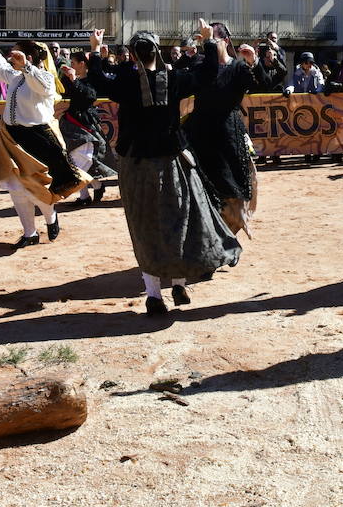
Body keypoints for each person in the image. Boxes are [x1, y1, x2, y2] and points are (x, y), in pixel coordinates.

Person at [87, 25, 241, 317]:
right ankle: (180, 283)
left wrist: (95, 50)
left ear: (132, 54)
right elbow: (208, 74)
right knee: (177, 220)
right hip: (172, 161)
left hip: (136, 164)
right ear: (157, 51)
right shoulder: (174, 78)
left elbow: (97, 80)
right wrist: (208, 41)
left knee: (144, 227)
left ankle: (154, 294)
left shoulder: (125, 80)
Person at [0, 37, 88, 247]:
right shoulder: (16, 77)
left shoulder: (44, 77)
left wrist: (26, 66)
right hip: (12, 137)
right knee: (16, 188)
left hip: (38, 139)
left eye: (16, 53)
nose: (11, 56)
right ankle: (30, 233)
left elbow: (44, 88)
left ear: (29, 57)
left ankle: (51, 217)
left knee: (36, 188)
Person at [187, 21, 279, 236]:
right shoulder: (200, 65)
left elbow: (264, 85)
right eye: (204, 38)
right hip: (200, 132)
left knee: (232, 188)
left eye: (212, 38)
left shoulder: (238, 67)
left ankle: (227, 237)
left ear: (226, 41)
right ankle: (207, 240)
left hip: (228, 134)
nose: (207, 43)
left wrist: (254, 61)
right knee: (199, 187)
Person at [59, 51, 115, 206]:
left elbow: (90, 96)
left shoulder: (91, 79)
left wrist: (74, 79)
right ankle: (93, 189)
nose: (71, 66)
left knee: (82, 161)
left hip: (86, 123)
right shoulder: (70, 79)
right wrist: (66, 77)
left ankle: (89, 193)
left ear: (82, 64)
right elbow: (63, 92)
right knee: (75, 159)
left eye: (74, 63)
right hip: (72, 122)